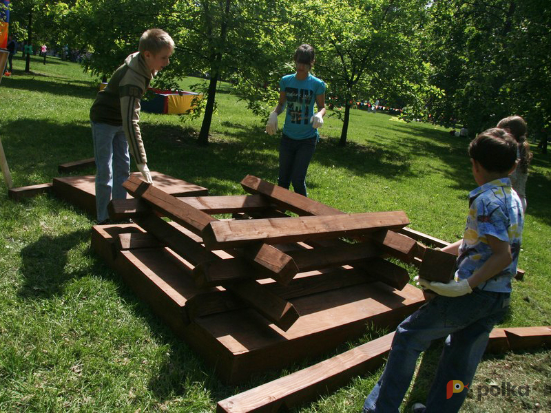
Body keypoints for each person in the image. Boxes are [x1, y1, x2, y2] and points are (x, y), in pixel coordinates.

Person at [363, 128, 524, 413]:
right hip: (498, 295)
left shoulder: (487, 200)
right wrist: (437, 256)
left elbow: (502, 255)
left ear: (474, 165)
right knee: (461, 357)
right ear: (513, 166)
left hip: (475, 295)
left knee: (408, 336)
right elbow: (481, 239)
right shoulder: (512, 197)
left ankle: (381, 408)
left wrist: (466, 285)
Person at [89, 28, 174, 224]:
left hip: (120, 120)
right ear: (147, 55)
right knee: (105, 172)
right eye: (164, 58)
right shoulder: (133, 79)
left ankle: (119, 212)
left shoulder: (144, 63)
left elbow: (127, 119)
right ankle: (103, 218)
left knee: (122, 170)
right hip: (104, 120)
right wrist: (142, 162)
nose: (167, 62)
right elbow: (131, 121)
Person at [265, 44, 326, 197]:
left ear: (312, 62)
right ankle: (278, 215)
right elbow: (281, 104)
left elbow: (322, 107)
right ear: (295, 60)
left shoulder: (317, 84)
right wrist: (273, 114)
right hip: (288, 137)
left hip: (307, 139)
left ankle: (305, 216)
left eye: (305, 63)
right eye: (299, 62)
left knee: (297, 180)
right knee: (283, 181)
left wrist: (319, 115)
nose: (301, 66)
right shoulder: (286, 81)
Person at [497, 115, 532, 212]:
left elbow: (512, 176)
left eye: (498, 131)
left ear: (507, 131)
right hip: (519, 200)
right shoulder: (522, 148)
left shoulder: (513, 149)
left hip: (508, 201)